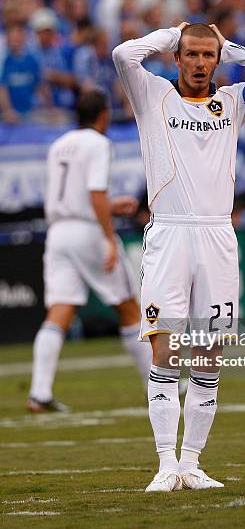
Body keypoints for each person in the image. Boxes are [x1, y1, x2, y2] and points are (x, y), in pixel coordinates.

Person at [113, 22, 245, 491]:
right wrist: (173, 32)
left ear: (217, 60)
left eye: (207, 56)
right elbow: (123, 54)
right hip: (169, 235)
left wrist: (229, 47)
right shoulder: (152, 96)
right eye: (189, 54)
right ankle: (164, 463)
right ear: (176, 57)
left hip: (217, 237)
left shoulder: (231, 103)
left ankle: (191, 463)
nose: (198, 63)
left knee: (210, 354)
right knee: (166, 348)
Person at [28, 89, 152, 413]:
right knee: (128, 308)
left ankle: (39, 393)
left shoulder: (59, 145)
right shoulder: (98, 143)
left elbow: (72, 196)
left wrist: (109, 207)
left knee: (60, 310)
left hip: (58, 233)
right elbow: (94, 191)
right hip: (87, 231)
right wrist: (110, 237)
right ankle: (157, 387)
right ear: (103, 115)